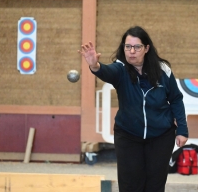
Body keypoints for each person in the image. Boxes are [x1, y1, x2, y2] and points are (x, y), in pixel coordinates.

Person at [78, 26, 188, 192]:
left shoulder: (163, 69)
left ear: (146, 48)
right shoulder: (120, 69)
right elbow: (107, 72)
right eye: (128, 46)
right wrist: (95, 65)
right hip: (128, 135)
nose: (131, 51)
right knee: (130, 185)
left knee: (155, 185)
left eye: (137, 47)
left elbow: (176, 99)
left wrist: (182, 129)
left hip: (161, 135)